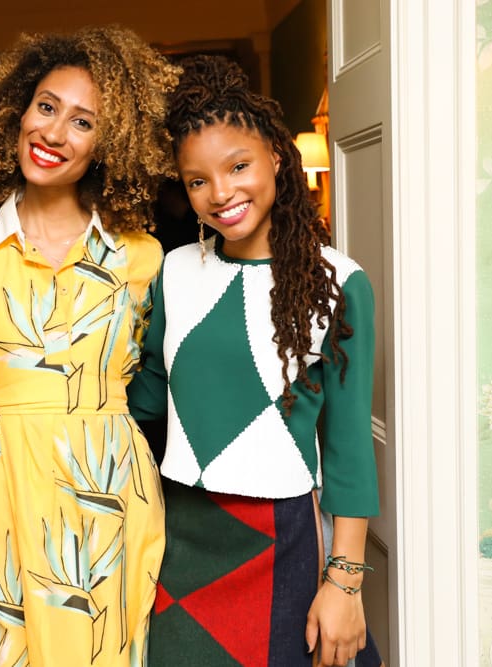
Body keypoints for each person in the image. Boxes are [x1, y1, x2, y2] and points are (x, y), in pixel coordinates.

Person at [127, 55, 383, 667]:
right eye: (197, 181)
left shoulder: (339, 282)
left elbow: (348, 447)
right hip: (178, 535)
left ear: (276, 155)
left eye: (238, 166)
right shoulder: (174, 270)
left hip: (282, 536)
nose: (220, 194)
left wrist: (345, 583)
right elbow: (142, 402)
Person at [0, 25, 180, 667]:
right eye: (46, 107)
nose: (54, 133)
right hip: (0, 488)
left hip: (108, 493)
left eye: (82, 122)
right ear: (17, 112)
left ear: (109, 144)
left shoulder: (143, 258)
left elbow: (163, 383)